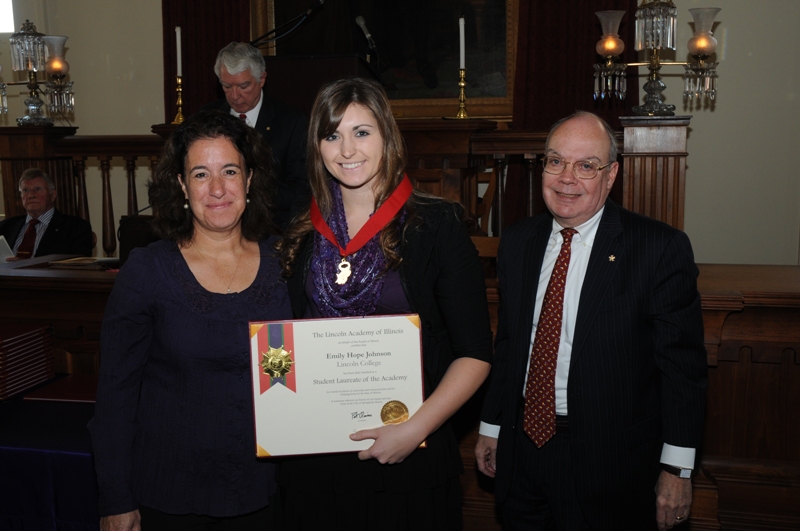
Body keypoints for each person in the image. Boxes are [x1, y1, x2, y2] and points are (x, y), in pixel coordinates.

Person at [276, 77, 493, 530]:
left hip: (409, 454)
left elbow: (474, 353)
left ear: (387, 136)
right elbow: (284, 339)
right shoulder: (300, 232)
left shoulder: (437, 225)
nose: (347, 150)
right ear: (317, 147)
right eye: (332, 135)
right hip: (315, 460)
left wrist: (414, 430)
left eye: (361, 132)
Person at [475, 111, 708, 531]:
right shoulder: (518, 240)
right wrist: (492, 425)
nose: (567, 178)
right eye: (556, 161)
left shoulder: (657, 248)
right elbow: (509, 343)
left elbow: (682, 370)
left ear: (611, 174)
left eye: (586, 165)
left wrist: (677, 468)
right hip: (521, 450)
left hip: (610, 465)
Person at [88, 110, 291, 531]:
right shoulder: (147, 271)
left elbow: (299, 372)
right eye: (201, 174)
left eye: (230, 171)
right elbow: (115, 397)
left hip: (266, 494)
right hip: (169, 498)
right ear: (182, 185)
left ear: (249, 179)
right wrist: (115, 498)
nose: (217, 188)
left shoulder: (287, 263)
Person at [201, 42, 309, 229]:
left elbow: (301, 188)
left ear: (262, 79)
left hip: (272, 227)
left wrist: (250, 195)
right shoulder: (206, 118)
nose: (235, 95)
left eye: (244, 86)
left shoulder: (291, 121)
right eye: (227, 86)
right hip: (214, 226)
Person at [0, 168, 92, 260]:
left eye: (38, 189)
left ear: (53, 195)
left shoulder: (76, 228)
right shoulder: (5, 226)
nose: (31, 195)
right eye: (26, 190)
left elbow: (78, 265)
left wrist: (27, 265)